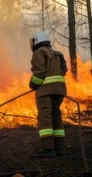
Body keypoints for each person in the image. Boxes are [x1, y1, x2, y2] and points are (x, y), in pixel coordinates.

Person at [28, 30, 67, 158]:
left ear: (35, 42)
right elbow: (63, 71)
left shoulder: (39, 52)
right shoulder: (57, 54)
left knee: (45, 119)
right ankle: (59, 149)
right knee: (56, 117)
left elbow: (39, 73)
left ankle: (48, 149)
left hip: (45, 92)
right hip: (59, 91)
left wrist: (33, 85)